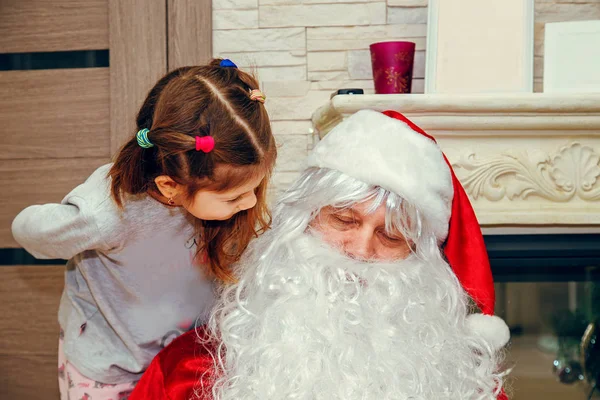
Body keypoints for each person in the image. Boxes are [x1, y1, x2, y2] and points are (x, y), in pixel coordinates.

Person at [129, 109, 511, 400]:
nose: (361, 251)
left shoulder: (465, 385)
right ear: (302, 220)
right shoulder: (185, 372)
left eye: (391, 236)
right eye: (344, 220)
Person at [11, 59, 276, 400]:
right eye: (235, 196)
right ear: (170, 186)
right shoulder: (107, 214)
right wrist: (76, 224)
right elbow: (28, 229)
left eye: (255, 188)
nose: (252, 203)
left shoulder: (223, 200)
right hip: (110, 370)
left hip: (183, 357)